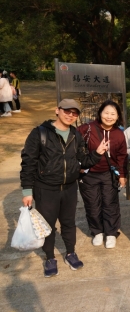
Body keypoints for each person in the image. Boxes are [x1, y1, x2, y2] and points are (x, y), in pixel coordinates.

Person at [20, 99, 108, 277]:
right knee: (47, 226)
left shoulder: (76, 135)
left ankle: (70, 253)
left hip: (69, 188)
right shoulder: (40, 133)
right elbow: (28, 162)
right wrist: (27, 190)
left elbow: (83, 161)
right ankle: (50, 257)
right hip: (45, 188)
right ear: (57, 110)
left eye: (75, 113)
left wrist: (97, 153)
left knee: (68, 223)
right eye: (67, 111)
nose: (70, 115)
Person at [77, 101, 127, 249]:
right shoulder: (87, 129)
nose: (109, 117)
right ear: (100, 113)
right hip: (88, 174)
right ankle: (97, 231)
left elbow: (122, 156)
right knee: (92, 205)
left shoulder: (119, 134)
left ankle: (111, 233)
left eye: (113, 114)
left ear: (117, 116)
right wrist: (77, 166)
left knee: (110, 204)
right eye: (106, 113)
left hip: (109, 174)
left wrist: (122, 175)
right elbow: (73, 147)